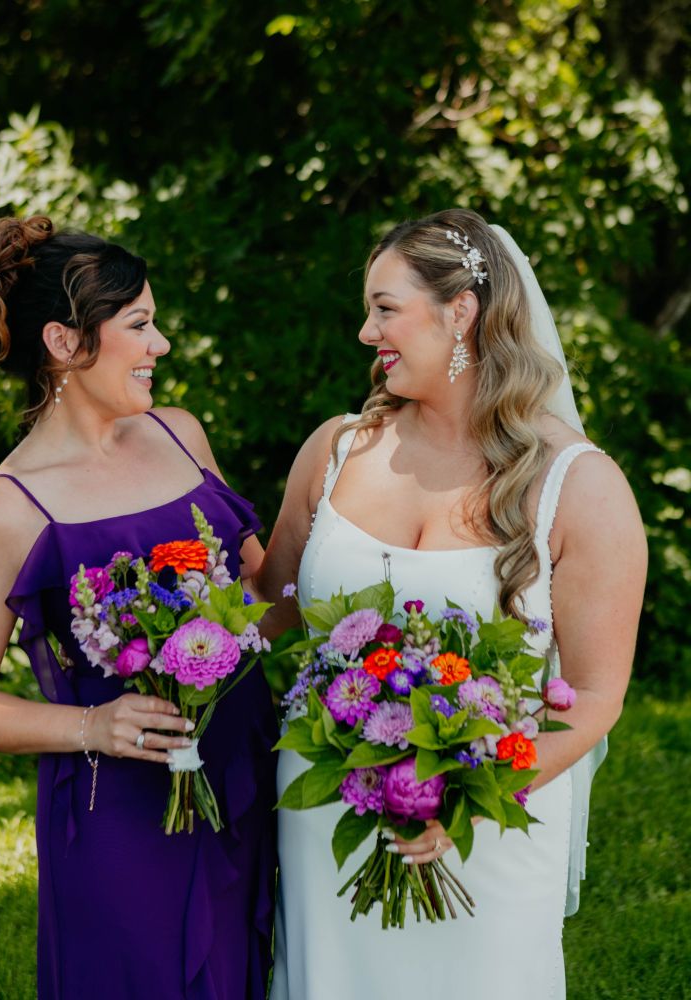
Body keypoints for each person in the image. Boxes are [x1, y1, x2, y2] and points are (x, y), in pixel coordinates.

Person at [253, 208, 647, 1000]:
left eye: (385, 308)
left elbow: (596, 697)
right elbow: (272, 609)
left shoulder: (579, 486)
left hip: (485, 833)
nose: (367, 332)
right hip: (327, 808)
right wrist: (175, 626)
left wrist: (462, 798)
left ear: (460, 311)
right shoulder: (336, 451)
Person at [0, 215, 278, 1000]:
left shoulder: (180, 435)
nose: (161, 344)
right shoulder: (6, 510)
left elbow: (262, 596)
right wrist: (92, 725)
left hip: (239, 777)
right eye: (140, 325)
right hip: (118, 811)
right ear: (63, 341)